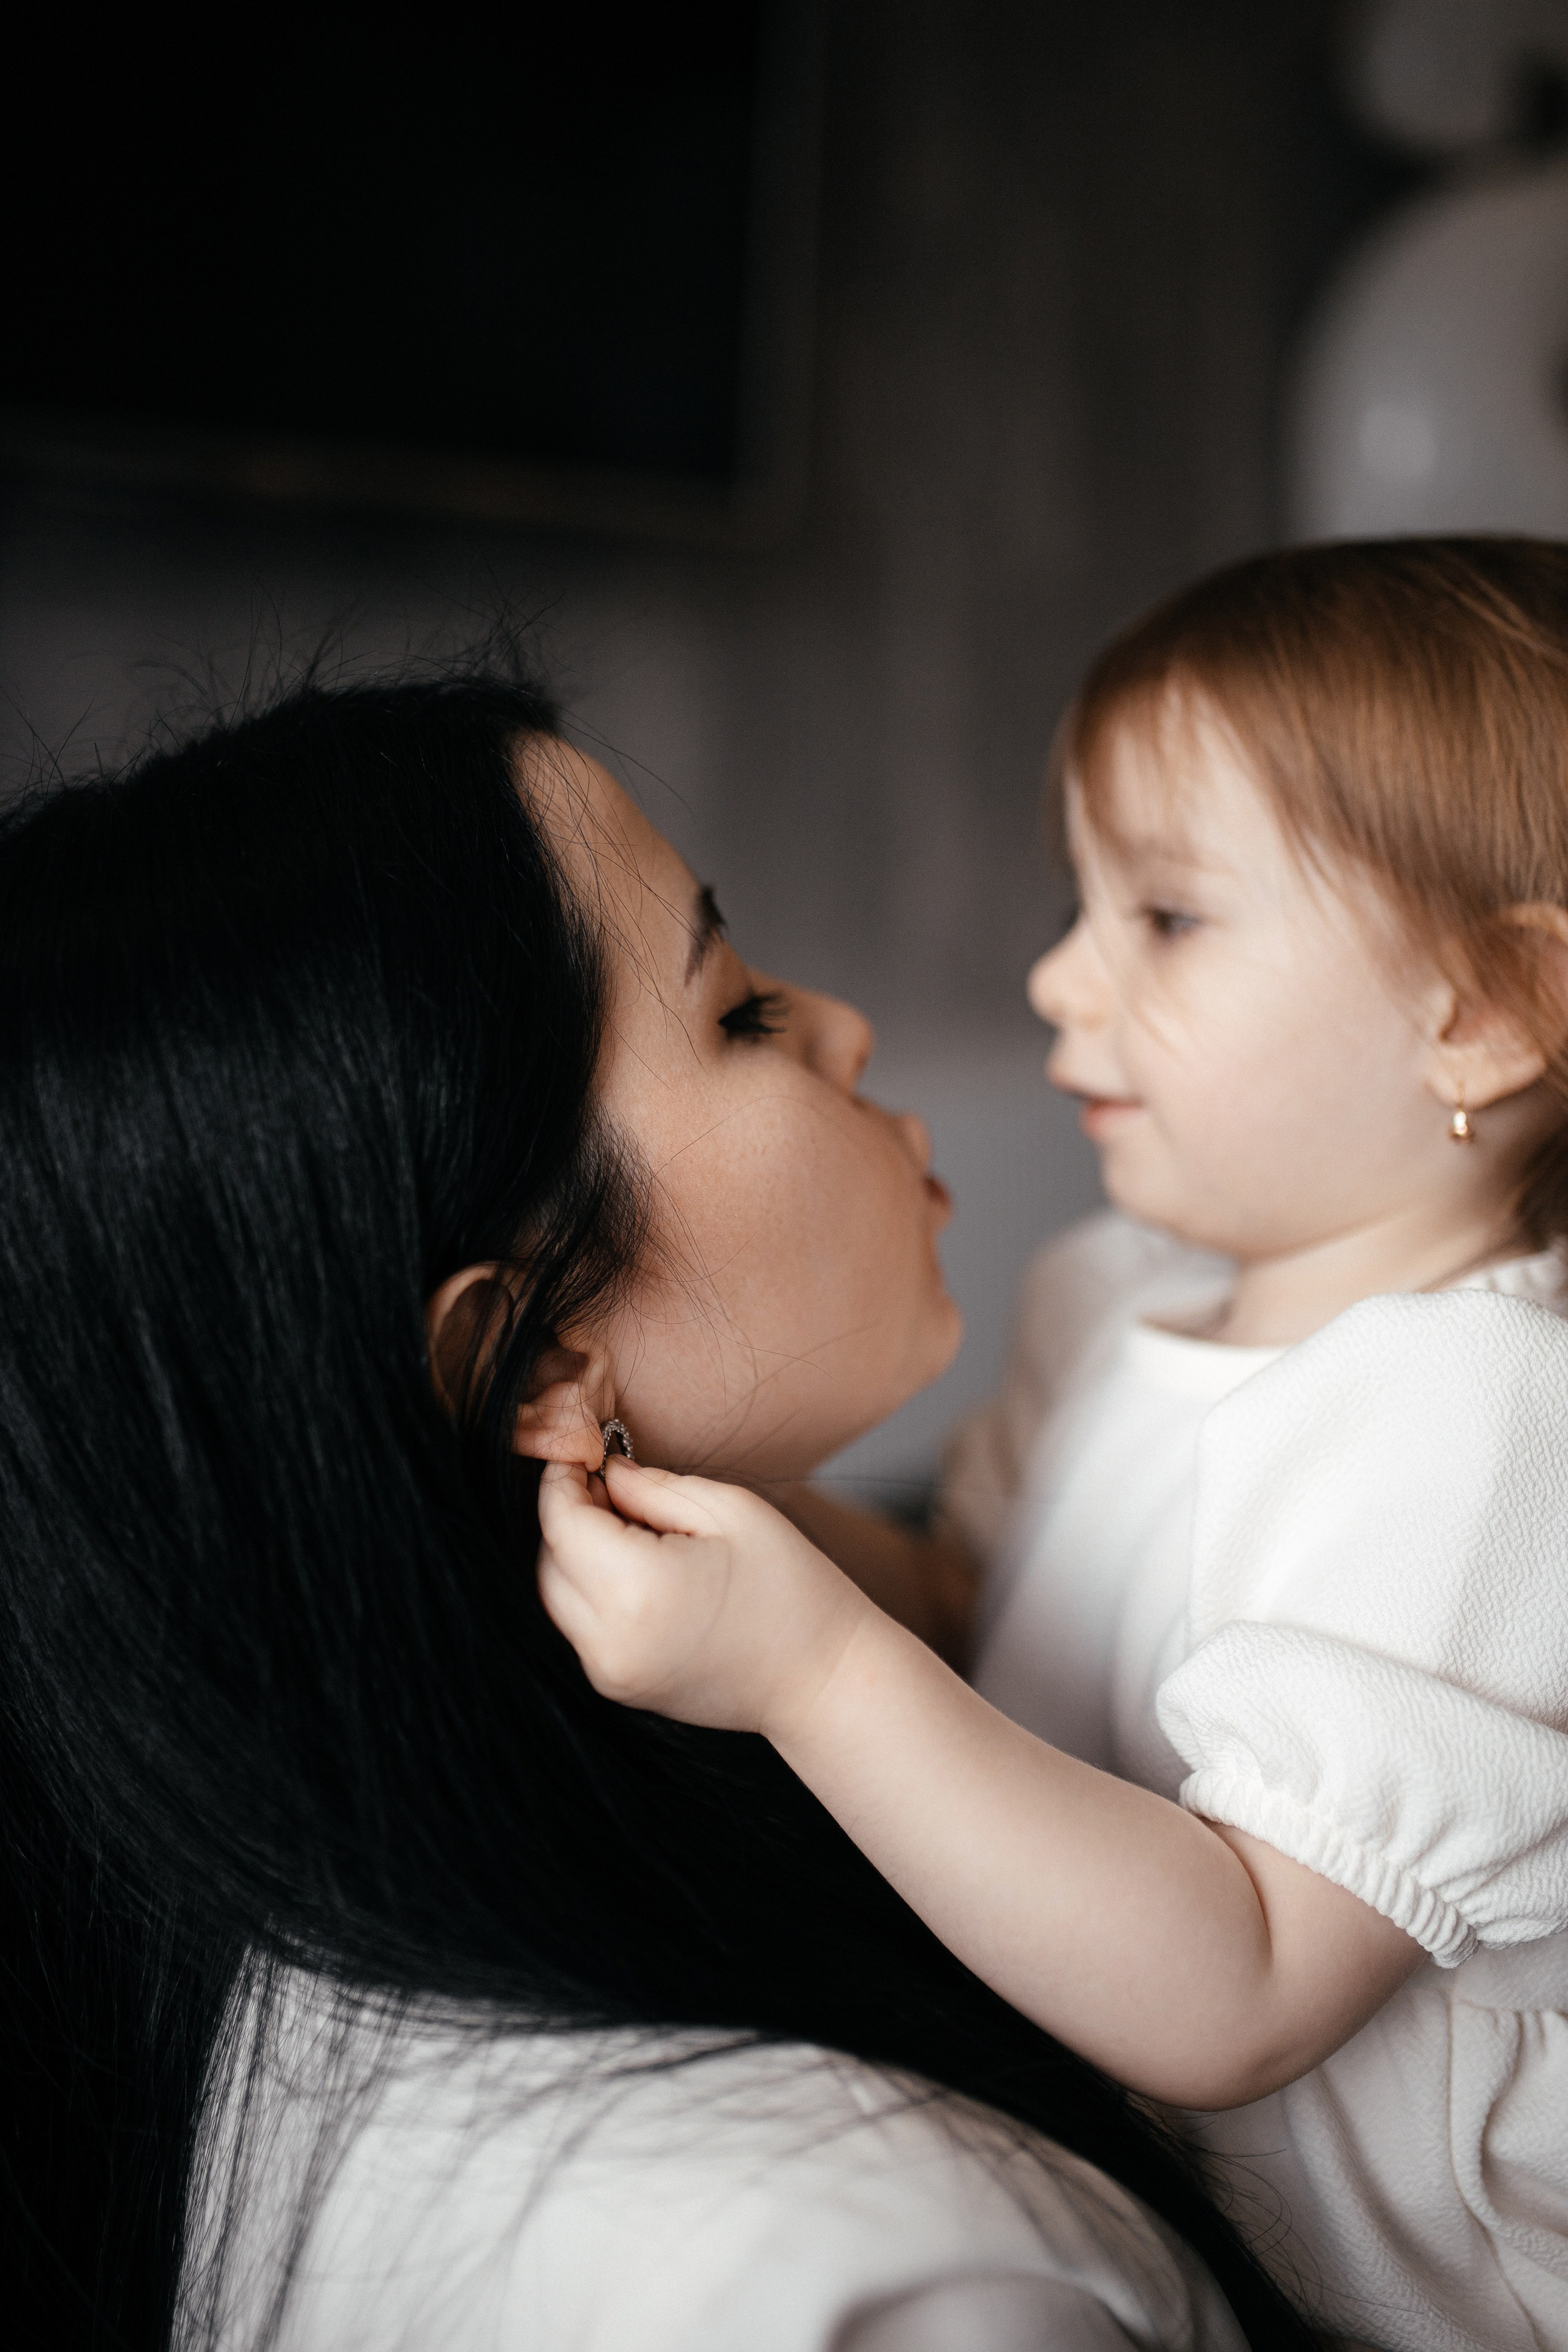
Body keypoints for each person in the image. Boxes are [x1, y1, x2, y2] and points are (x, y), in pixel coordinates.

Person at [0, 663, 1310, 2352]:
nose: (843, 1026)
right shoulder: (892, 2276)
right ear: (530, 1357)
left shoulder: (281, 1949)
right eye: (742, 1012)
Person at [538, 539, 1568, 2352]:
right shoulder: (1109, 1294)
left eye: (1165, 919)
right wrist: (719, 1509)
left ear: (1483, 1013)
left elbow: (1243, 1988)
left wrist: (804, 1668)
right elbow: (978, 1604)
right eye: (1077, 904)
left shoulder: (1482, 1417)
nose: (1058, 982)